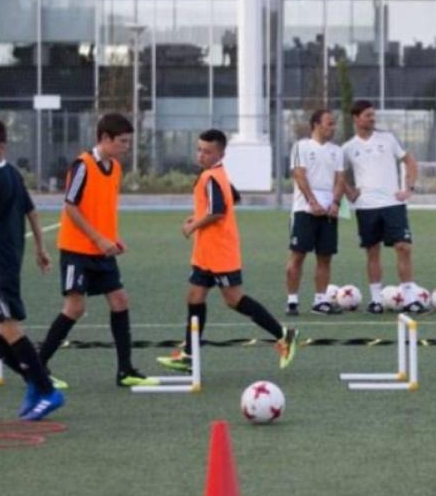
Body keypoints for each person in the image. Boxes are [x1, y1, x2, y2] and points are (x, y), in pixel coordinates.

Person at [157, 129, 300, 373]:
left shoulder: (211, 176)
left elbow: (218, 211)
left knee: (233, 300)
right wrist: (199, 215)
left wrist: (194, 225)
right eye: (199, 150)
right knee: (194, 297)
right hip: (206, 253)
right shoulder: (215, 173)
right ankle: (189, 355)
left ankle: (284, 335)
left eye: (207, 151)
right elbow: (233, 197)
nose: (201, 155)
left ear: (221, 154)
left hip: (220, 253)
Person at [34, 113, 157, 388]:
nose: (127, 147)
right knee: (75, 307)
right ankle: (38, 368)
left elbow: (101, 208)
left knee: (120, 301)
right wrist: (99, 239)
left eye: (128, 141)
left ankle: (125, 370)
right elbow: (71, 207)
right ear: (104, 138)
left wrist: (112, 239)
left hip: (102, 252)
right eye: (122, 141)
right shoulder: (83, 165)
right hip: (76, 250)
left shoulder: (115, 168)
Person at [0, 119, 62, 420]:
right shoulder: (11, 173)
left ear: (1, 147)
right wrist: (40, 248)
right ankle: (33, 379)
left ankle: (47, 389)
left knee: (8, 326)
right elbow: (31, 211)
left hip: (0, 264)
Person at [342, 100, 426, 314]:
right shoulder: (348, 148)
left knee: (403, 247)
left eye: (373, 115)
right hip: (366, 207)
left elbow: (410, 162)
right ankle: (376, 300)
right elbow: (338, 175)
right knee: (372, 252)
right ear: (356, 118)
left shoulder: (387, 139)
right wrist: (350, 193)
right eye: (368, 115)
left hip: (393, 204)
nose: (372, 119)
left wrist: (409, 188)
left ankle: (410, 299)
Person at [285, 109, 346, 316]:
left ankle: (320, 301)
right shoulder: (301, 146)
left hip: (329, 212)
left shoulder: (337, 151)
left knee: (325, 257)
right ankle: (292, 301)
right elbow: (299, 175)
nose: (333, 127)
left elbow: (340, 180)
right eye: (329, 123)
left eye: (334, 123)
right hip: (304, 210)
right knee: (298, 255)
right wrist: (312, 201)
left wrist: (336, 203)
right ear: (316, 124)